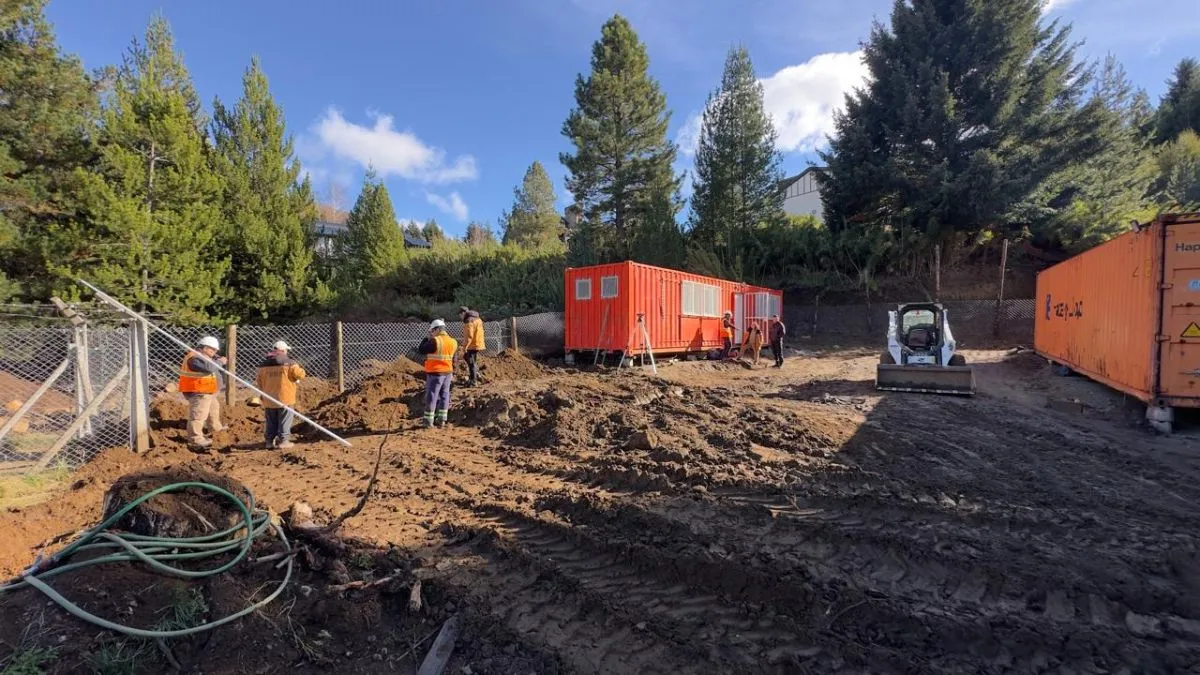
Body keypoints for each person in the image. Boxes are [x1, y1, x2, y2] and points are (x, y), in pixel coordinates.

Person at [254, 340, 307, 449]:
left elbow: (259, 381)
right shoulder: (289, 363)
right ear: (283, 350)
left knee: (271, 421)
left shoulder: (263, 365)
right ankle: (284, 441)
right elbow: (300, 375)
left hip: (269, 399)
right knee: (285, 420)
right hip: (285, 397)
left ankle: (269, 442)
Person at [178, 336, 226, 448]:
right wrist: (220, 362)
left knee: (213, 410)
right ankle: (195, 439)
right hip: (199, 392)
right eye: (212, 349)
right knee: (198, 415)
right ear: (204, 348)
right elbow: (209, 368)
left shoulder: (203, 357)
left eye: (215, 350)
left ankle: (216, 429)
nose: (214, 352)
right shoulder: (195, 358)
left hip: (208, 391)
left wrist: (216, 359)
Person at [417, 319, 458, 428]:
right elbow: (455, 359)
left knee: (432, 395)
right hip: (448, 372)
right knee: (445, 395)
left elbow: (421, 349)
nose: (431, 333)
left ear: (437, 329)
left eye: (432, 331)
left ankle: (428, 421)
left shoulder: (435, 341)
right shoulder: (453, 341)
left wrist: (426, 338)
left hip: (435, 372)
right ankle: (442, 420)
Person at [459, 306, 486, 386]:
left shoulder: (469, 321)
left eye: (460, 315)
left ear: (463, 313)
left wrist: (465, 347)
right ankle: (475, 375)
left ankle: (473, 381)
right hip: (478, 343)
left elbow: (469, 336)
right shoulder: (477, 319)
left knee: (471, 362)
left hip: (472, 345)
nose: (460, 317)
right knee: (467, 358)